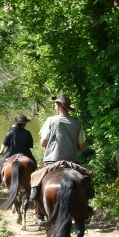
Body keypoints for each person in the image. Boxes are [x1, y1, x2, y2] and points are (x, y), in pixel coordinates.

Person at [29, 94, 94, 222]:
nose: (54, 106)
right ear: (67, 108)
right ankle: (86, 208)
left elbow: (43, 143)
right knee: (88, 179)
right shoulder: (77, 123)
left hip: (51, 162)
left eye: (55, 104)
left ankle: (37, 208)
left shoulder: (50, 121)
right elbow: (82, 147)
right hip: (70, 163)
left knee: (34, 177)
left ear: (59, 106)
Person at [0, 114, 37, 190]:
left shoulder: (10, 131)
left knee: (1, 162)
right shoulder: (27, 133)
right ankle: (35, 182)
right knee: (34, 163)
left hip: (11, 152)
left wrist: (1, 151)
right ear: (25, 123)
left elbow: (5, 143)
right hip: (25, 152)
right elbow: (30, 145)